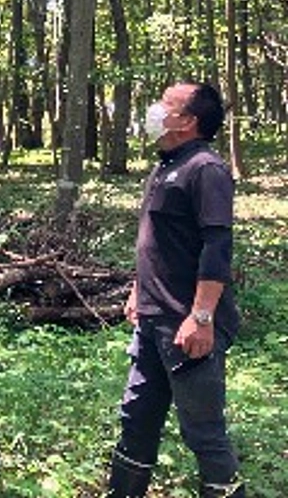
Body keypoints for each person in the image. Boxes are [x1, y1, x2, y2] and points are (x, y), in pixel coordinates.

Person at [107, 82, 243, 498]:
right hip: (153, 321)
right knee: (136, 419)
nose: (155, 109)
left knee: (203, 430)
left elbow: (217, 247)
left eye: (166, 104)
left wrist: (201, 317)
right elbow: (158, 241)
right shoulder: (165, 166)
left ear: (188, 121)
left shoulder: (206, 169)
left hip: (187, 326)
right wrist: (138, 290)